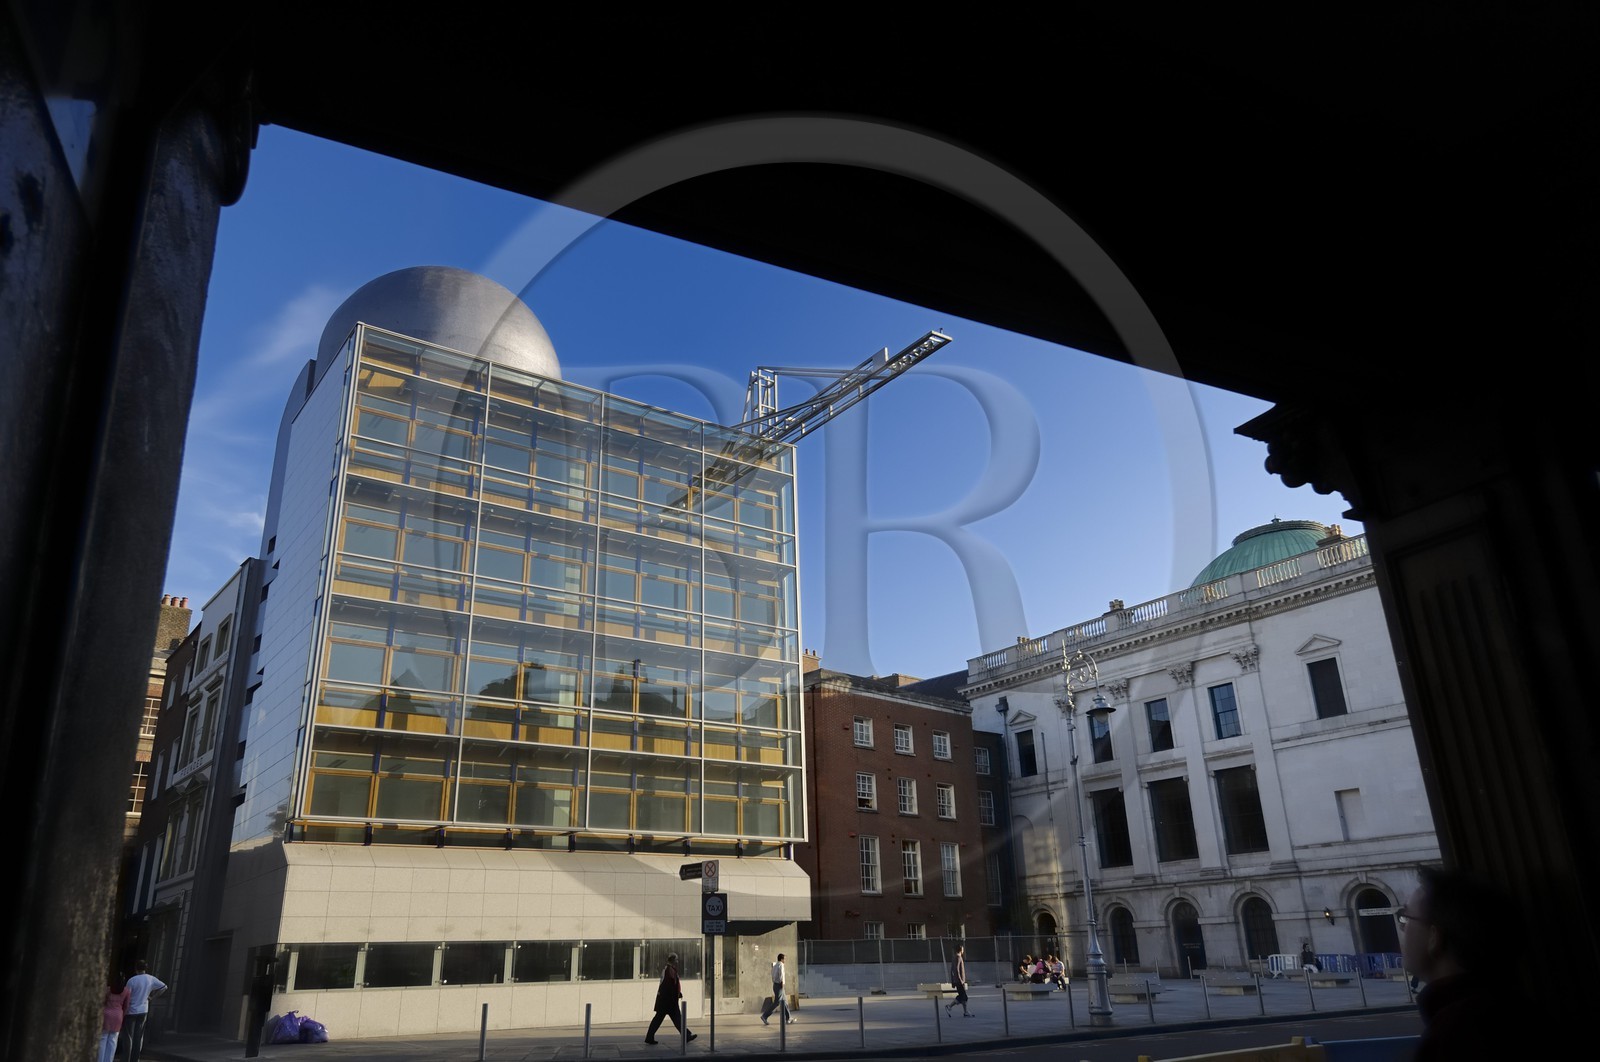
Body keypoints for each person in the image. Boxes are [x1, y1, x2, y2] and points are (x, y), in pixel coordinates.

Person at [1401, 865, 1531, 1060]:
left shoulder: (1457, 1035)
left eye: (1406, 918)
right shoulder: (1513, 1012)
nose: (1402, 929)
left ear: (1434, 938)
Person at [645, 953, 697, 1045]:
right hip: (669, 1001)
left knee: (661, 1019)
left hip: (665, 1001)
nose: (677, 961)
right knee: (676, 1019)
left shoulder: (668, 969)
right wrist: (675, 996)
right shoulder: (669, 970)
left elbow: (671, 985)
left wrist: (678, 993)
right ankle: (687, 1036)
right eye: (676, 959)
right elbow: (669, 985)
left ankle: (649, 1037)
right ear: (672, 960)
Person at [123, 960, 167, 1062]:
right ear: (145, 968)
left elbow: (127, 996)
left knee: (129, 1036)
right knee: (139, 1036)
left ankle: (126, 1059)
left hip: (131, 1010)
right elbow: (164, 987)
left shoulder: (132, 980)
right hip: (143, 1009)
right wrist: (152, 997)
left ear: (136, 968)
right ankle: (136, 1058)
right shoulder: (150, 978)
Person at [99, 975, 129, 1062]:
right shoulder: (127, 991)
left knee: (103, 1038)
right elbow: (126, 1006)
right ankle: (109, 1060)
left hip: (106, 1014)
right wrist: (122, 1016)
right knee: (113, 1040)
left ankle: (100, 1060)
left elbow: (103, 1002)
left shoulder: (107, 989)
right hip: (118, 1015)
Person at [762, 952, 795, 1025]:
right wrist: (782, 983)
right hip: (779, 985)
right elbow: (781, 975)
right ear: (782, 959)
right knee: (777, 1003)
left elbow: (773, 975)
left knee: (785, 1001)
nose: (785, 960)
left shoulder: (775, 965)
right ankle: (765, 1016)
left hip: (775, 985)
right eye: (784, 959)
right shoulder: (781, 965)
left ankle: (788, 1017)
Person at [944, 945, 971, 1017]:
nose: (963, 951)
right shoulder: (958, 958)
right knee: (963, 997)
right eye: (962, 949)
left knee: (963, 997)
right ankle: (949, 1006)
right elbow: (956, 970)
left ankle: (965, 1012)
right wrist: (960, 980)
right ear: (960, 950)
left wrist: (953, 981)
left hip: (957, 981)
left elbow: (952, 970)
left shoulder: (954, 958)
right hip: (959, 981)